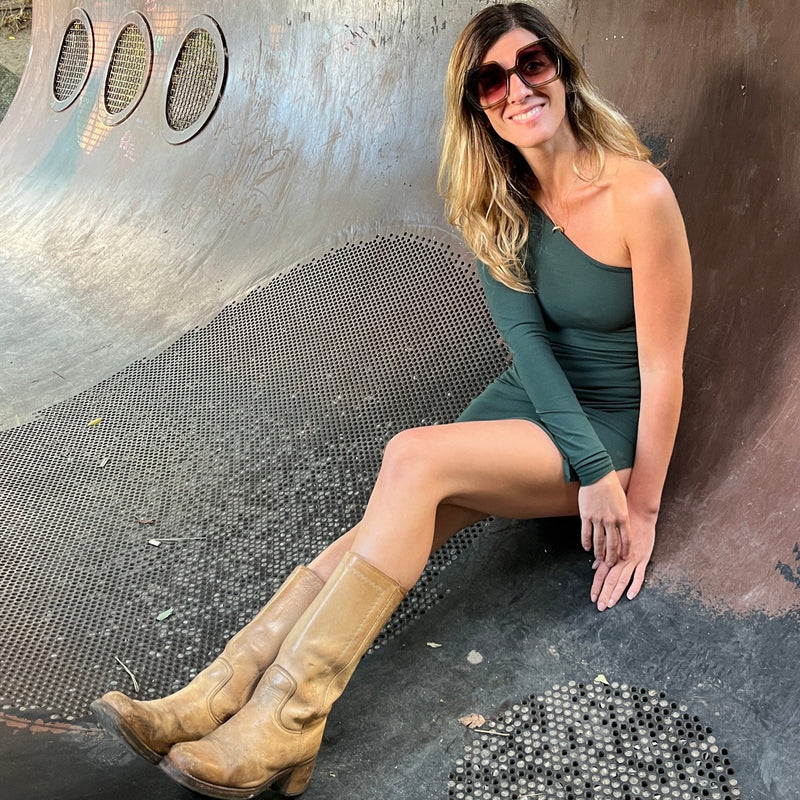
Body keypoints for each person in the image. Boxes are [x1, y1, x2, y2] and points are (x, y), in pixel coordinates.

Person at [90, 3, 691, 797]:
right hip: (532, 402)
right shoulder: (494, 200)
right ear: (477, 105)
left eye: (532, 63)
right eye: (492, 80)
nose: (518, 88)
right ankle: (221, 693)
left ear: (564, 69)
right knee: (388, 515)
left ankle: (287, 720)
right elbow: (530, 348)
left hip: (609, 424)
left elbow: (665, 364)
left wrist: (635, 500)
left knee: (410, 456)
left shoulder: (638, 195)